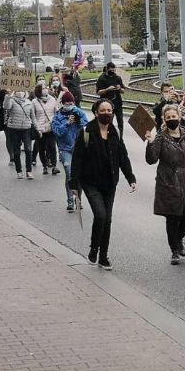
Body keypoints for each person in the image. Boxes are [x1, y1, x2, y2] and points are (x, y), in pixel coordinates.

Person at [69, 99, 138, 271]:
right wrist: (74, 184)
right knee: (100, 215)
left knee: (107, 220)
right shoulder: (86, 132)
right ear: (96, 113)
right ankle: (94, 248)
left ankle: (103, 256)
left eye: (109, 110)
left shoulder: (116, 132)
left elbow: (123, 157)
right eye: (103, 110)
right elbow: (77, 159)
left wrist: (131, 178)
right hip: (90, 182)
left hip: (110, 182)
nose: (107, 113)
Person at [146, 104, 185, 264]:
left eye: (174, 116)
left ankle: (177, 241)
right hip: (168, 181)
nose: (172, 119)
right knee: (172, 217)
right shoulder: (160, 136)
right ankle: (175, 251)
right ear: (164, 119)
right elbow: (152, 159)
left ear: (179, 117)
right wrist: (150, 143)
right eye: (168, 117)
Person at [51, 91, 88, 212]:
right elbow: (57, 132)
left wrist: (78, 119)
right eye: (67, 103)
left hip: (78, 148)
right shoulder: (57, 116)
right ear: (63, 103)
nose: (70, 105)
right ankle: (70, 200)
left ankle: (78, 199)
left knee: (79, 175)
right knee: (69, 174)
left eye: (71, 103)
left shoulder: (78, 112)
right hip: (64, 149)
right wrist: (67, 123)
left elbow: (87, 125)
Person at [3, 90, 37, 179]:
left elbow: (33, 117)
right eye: (18, 91)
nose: (20, 92)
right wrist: (8, 95)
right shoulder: (12, 100)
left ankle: (29, 171)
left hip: (26, 128)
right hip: (14, 128)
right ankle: (19, 171)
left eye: (22, 91)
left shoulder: (29, 102)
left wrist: (37, 128)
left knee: (28, 149)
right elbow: (6, 106)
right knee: (16, 150)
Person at [32, 85, 60, 175]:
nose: (46, 89)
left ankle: (54, 166)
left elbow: (56, 112)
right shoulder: (34, 102)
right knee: (42, 148)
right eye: (43, 88)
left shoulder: (52, 99)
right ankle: (44, 166)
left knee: (52, 146)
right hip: (40, 129)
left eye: (46, 88)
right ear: (39, 91)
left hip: (51, 127)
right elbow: (33, 117)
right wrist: (37, 128)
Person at [95, 62, 126, 136]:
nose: (112, 72)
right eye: (111, 71)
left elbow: (123, 91)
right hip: (106, 104)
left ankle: (120, 137)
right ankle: (108, 136)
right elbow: (98, 92)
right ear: (107, 69)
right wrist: (107, 89)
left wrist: (119, 89)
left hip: (117, 103)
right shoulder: (102, 78)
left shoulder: (117, 78)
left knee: (120, 121)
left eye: (114, 70)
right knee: (109, 122)